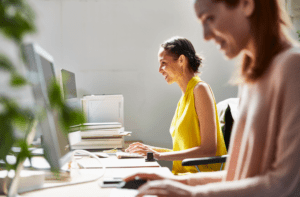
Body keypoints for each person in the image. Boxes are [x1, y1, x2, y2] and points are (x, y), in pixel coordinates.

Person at [124, 0, 300, 196]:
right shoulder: (250, 78)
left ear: (247, 4)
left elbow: (285, 185)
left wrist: (192, 193)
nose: (206, 36)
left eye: (210, 18)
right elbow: (235, 176)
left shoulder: (292, 66)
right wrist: (174, 180)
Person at [126, 37, 227, 174]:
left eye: (163, 63)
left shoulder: (200, 89)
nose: (160, 70)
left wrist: (159, 155)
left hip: (198, 179)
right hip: (182, 175)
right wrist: (151, 150)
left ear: (181, 60)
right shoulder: (184, 98)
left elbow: (209, 149)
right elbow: (184, 153)